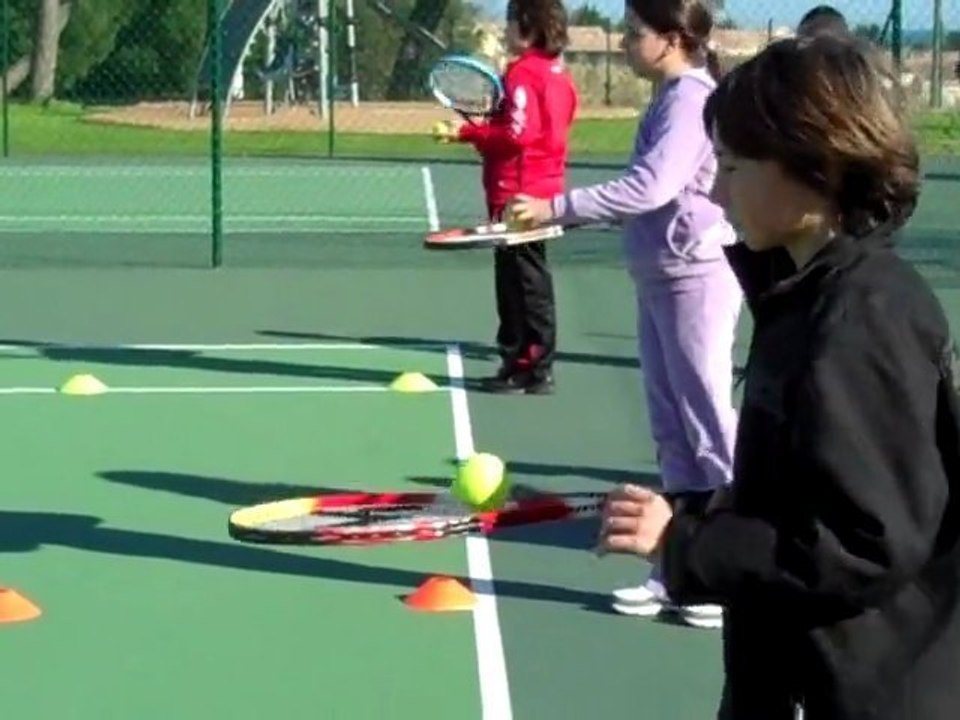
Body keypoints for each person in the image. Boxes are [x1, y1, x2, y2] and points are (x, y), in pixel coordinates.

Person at [598, 33, 960, 719]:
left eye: (732, 166)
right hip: (803, 672)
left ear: (812, 166)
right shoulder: (805, 297)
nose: (713, 185)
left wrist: (685, 546)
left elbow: (862, 544)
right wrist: (703, 512)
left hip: (862, 689)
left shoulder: (862, 319)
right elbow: (807, 490)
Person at [510, 0, 740, 628]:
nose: (622, 41)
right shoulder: (670, 96)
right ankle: (676, 568)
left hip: (696, 275)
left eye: (634, 32)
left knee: (710, 428)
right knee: (672, 431)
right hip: (660, 276)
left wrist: (556, 207)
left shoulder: (692, 98)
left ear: (670, 40)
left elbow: (652, 186)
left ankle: (728, 574)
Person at [435, 0, 578, 395]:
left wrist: (467, 133)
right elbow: (543, 130)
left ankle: (525, 365)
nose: (504, 30)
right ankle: (531, 363)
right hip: (543, 189)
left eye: (510, 23)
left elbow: (518, 135)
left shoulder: (522, 74)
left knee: (519, 281)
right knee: (530, 277)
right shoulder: (559, 75)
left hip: (517, 194)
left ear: (527, 27)